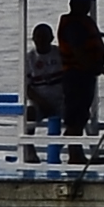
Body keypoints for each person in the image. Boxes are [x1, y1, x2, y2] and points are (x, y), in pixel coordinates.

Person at [53, 0, 104, 143]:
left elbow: (91, 48)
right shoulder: (74, 26)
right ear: (74, 4)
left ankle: (76, 152)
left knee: (81, 116)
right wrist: (103, 70)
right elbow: (80, 54)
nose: (89, 6)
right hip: (76, 76)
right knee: (76, 118)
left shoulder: (82, 22)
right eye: (86, 2)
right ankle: (74, 154)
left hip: (84, 76)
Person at [21, 22, 63, 156]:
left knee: (76, 115)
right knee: (29, 113)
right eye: (38, 37)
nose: (41, 41)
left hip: (60, 100)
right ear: (33, 39)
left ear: (51, 38)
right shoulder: (29, 59)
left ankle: (63, 150)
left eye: (44, 37)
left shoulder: (60, 54)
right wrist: (42, 103)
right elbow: (27, 88)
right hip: (39, 101)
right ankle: (29, 149)